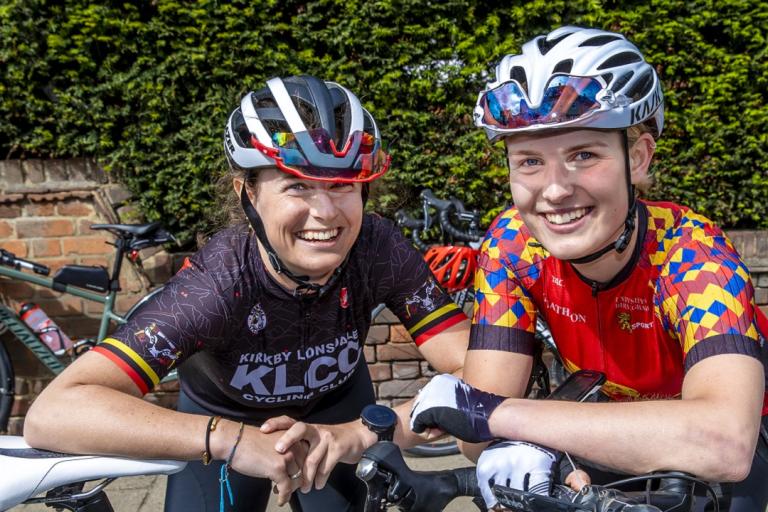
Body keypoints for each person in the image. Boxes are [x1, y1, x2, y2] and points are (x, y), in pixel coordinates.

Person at [23, 75, 470, 511]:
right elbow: (54, 413)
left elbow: (481, 371)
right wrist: (227, 438)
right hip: (225, 416)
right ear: (247, 193)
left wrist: (375, 430)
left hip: (340, 413)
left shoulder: (378, 249)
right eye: (297, 185)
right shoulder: (215, 285)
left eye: (342, 185)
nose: (325, 212)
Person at [410, 26, 768, 511]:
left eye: (583, 155)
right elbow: (475, 434)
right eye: (530, 161)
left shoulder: (693, 255)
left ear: (637, 158)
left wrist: (500, 417)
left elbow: (724, 443)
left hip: (734, 446)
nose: (554, 190)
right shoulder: (513, 244)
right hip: (612, 431)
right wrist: (517, 434)